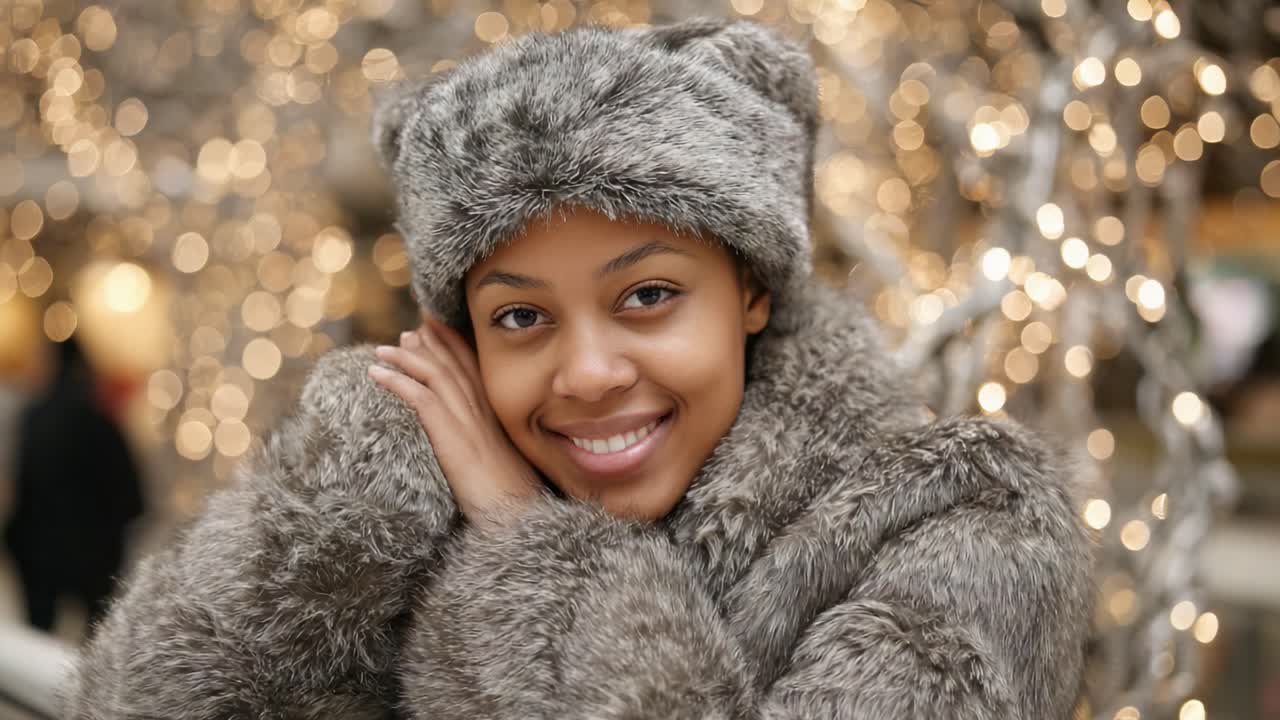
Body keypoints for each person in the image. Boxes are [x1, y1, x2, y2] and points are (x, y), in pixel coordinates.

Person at [64, 17, 1093, 718]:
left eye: (647, 296)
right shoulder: (425, 511)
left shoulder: (965, 520)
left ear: (751, 292)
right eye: (520, 316)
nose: (588, 372)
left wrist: (531, 553)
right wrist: (346, 506)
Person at [4, 336, 145, 634]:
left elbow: (24, 485)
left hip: (41, 549)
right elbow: (129, 489)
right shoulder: (99, 419)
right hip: (92, 551)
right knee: (96, 637)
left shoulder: (35, 417)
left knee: (38, 634)